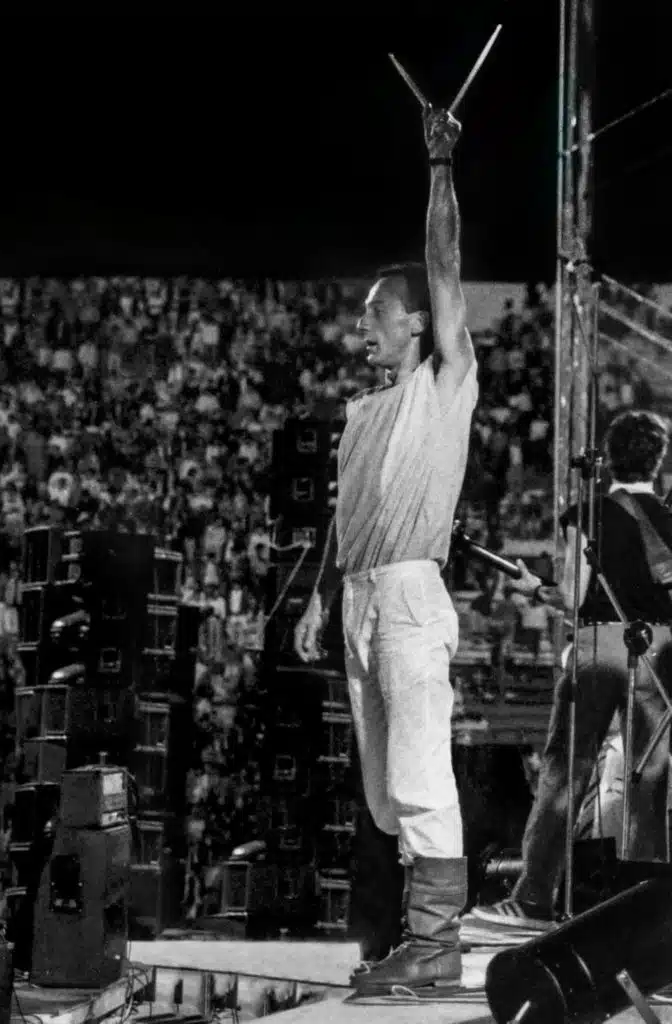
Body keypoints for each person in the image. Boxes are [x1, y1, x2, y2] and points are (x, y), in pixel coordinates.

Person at [294, 106, 478, 993]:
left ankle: (436, 945)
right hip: (362, 596)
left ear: (417, 326)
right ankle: (417, 938)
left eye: (376, 315)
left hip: (407, 594)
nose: (360, 328)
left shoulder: (446, 381)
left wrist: (440, 167)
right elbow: (346, 513)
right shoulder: (362, 412)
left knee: (417, 773)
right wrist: (321, 594)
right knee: (380, 794)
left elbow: (444, 265)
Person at [471, 409, 672, 930]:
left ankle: (534, 899)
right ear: (659, 461)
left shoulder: (590, 513)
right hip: (659, 651)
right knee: (649, 780)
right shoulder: (668, 520)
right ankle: (644, 914)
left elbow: (574, 595)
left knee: (567, 771)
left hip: (599, 645)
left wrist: (534, 589)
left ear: (608, 458)